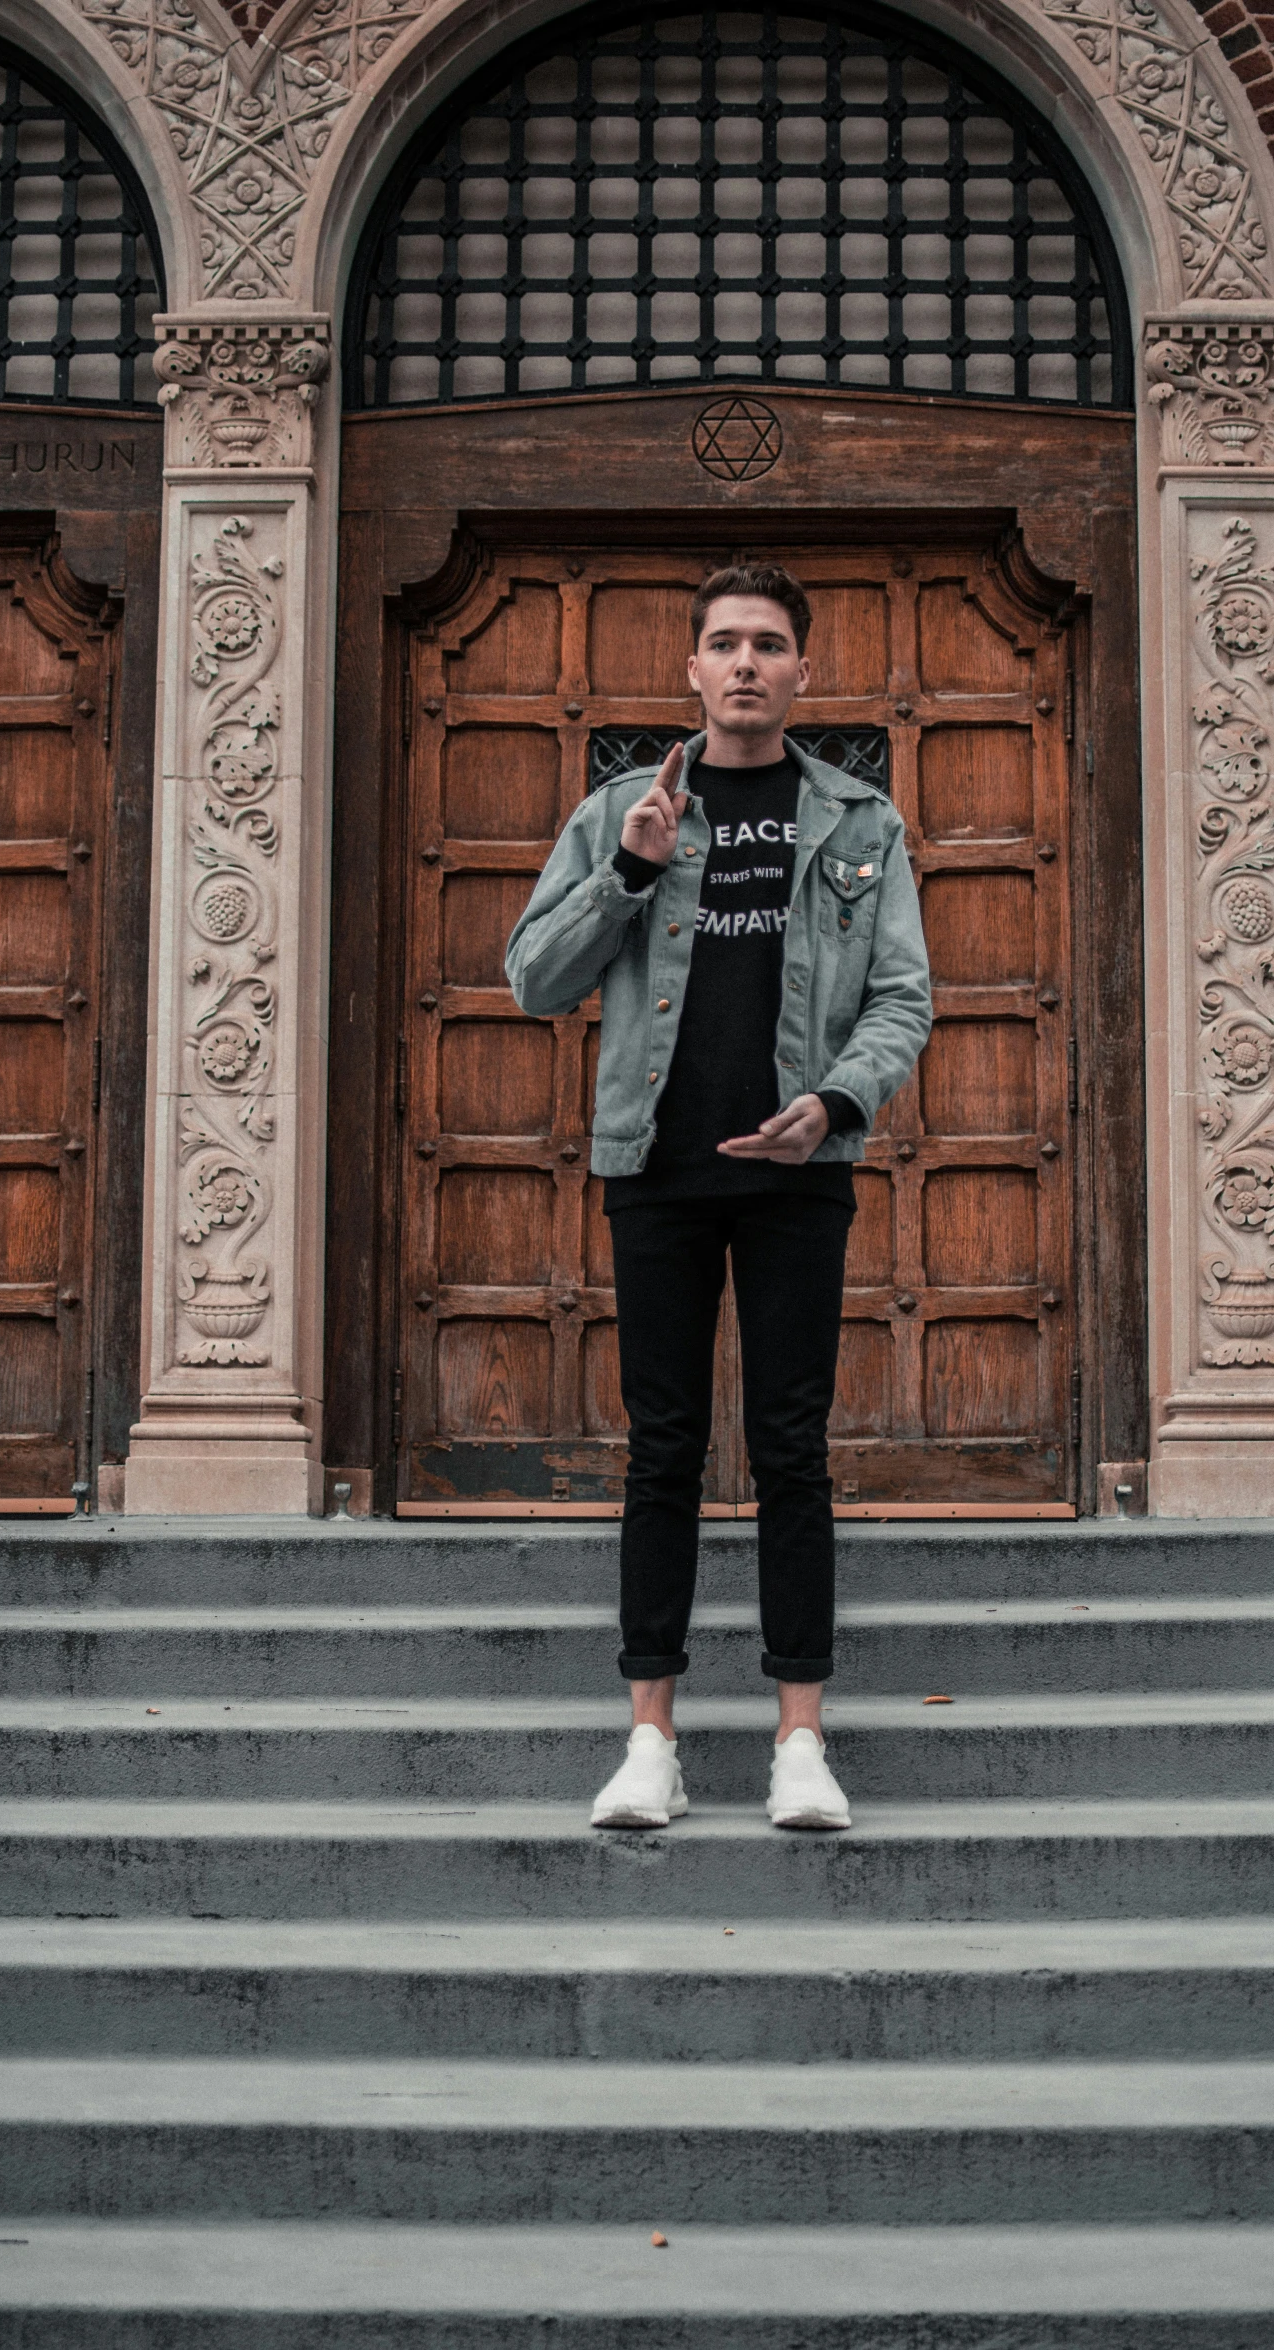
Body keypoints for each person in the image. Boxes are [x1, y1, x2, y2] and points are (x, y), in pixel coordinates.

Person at [505, 564, 931, 1832]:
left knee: (792, 1449)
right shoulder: (621, 811)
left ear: (802, 671)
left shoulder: (859, 819)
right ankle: (652, 1739)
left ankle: (801, 1739)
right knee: (664, 1451)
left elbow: (903, 994)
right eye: (722, 643)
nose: (744, 663)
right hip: (658, 1169)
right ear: (690, 669)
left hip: (798, 1175)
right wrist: (628, 874)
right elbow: (534, 977)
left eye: (768, 645)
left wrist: (839, 1101)